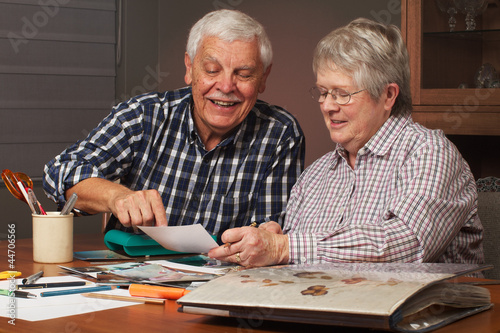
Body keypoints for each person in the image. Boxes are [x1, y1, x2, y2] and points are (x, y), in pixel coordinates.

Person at [208, 18, 484, 267]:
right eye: (323, 92)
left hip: (424, 319)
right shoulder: (314, 176)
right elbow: (297, 259)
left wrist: (285, 248)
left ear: (388, 95)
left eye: (341, 94)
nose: (327, 106)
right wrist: (273, 242)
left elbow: (410, 245)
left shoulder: (429, 152)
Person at [43, 9, 305, 239]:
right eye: (212, 70)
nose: (226, 86)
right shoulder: (144, 115)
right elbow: (61, 171)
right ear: (190, 68)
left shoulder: (280, 133)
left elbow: (272, 230)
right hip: (131, 278)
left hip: (223, 282)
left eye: (244, 74)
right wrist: (116, 197)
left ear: (263, 78)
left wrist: (267, 238)